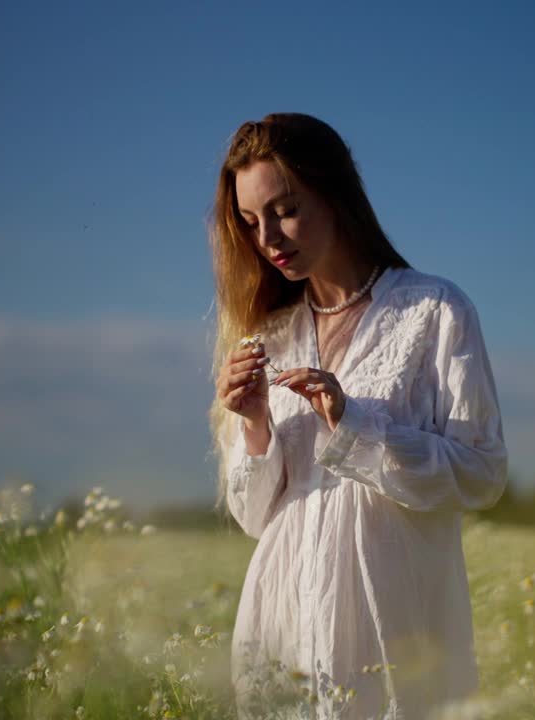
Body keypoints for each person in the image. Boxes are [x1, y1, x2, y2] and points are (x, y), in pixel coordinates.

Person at [207, 113, 508, 720]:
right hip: (283, 627)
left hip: (392, 633)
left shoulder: (434, 310)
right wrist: (255, 423)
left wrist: (354, 424)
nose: (267, 237)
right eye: (249, 221)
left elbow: (482, 473)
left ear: (335, 193)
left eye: (285, 209)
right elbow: (253, 517)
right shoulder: (269, 335)